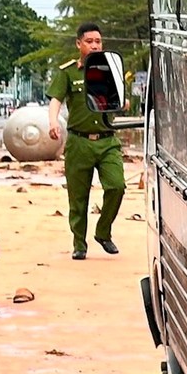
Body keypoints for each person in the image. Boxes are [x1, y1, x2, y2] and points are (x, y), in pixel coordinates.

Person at [47, 22, 126, 260]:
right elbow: (56, 100)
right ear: (79, 44)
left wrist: (122, 102)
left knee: (117, 185)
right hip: (79, 142)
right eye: (89, 41)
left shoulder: (110, 69)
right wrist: (53, 121)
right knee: (78, 197)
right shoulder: (68, 72)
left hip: (107, 140)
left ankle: (103, 232)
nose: (94, 45)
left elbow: (122, 100)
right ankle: (79, 244)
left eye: (98, 41)